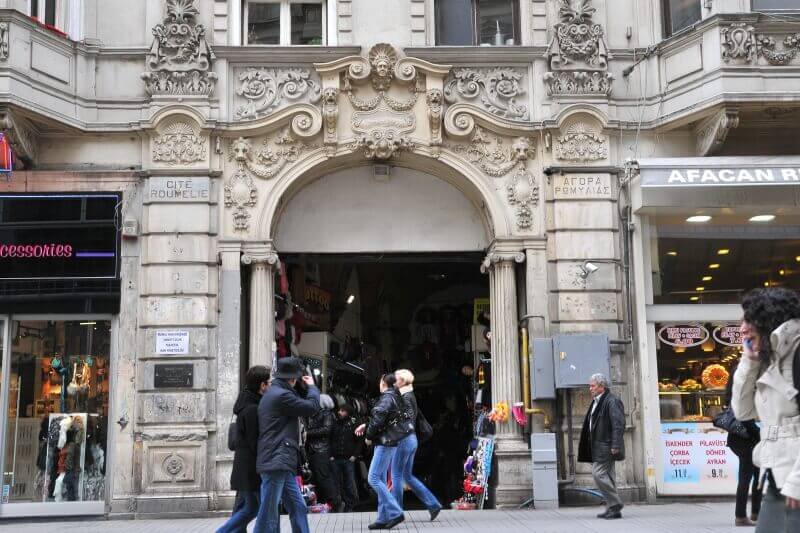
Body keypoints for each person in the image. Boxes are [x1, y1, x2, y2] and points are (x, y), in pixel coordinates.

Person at [732, 287, 800, 533]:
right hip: (776, 477)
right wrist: (748, 363)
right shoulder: (768, 359)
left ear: (768, 320)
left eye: (748, 320)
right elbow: (743, 411)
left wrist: (797, 483)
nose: (742, 328)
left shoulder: (797, 353)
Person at [254, 357, 320, 533]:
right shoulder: (282, 395)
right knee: (268, 511)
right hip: (277, 459)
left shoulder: (276, 392)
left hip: (279, 458)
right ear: (293, 378)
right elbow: (312, 407)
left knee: (297, 506)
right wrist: (312, 387)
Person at [217, 365, 271, 533]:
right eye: (270, 382)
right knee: (252, 508)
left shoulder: (246, 402)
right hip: (250, 468)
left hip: (245, 467)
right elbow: (255, 441)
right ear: (262, 385)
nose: (271, 386)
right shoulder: (253, 409)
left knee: (248, 507)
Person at [355, 373, 406, 530]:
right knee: (381, 479)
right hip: (391, 441)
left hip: (384, 442)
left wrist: (369, 435)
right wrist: (367, 424)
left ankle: (396, 511)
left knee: (373, 478)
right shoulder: (395, 397)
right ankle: (383, 518)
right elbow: (384, 418)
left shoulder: (386, 398)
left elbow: (379, 419)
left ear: (383, 383)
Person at [391, 369, 442, 521]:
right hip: (411, 439)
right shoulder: (409, 395)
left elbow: (408, 419)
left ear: (404, 381)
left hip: (404, 439)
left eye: (397, 379)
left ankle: (396, 512)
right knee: (407, 476)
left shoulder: (405, 397)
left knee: (396, 476)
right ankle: (433, 504)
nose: (395, 382)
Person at [577, 372, 625, 520]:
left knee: (598, 474)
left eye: (593, 386)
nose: (590, 388)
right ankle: (613, 509)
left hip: (607, 445)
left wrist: (615, 444)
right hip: (599, 445)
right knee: (609, 476)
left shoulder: (611, 401)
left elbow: (618, 424)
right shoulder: (598, 401)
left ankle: (615, 503)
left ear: (602, 387)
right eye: (589, 386)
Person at [725, 361, 761, 527]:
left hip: (739, 438)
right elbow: (746, 418)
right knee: (750, 476)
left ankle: (754, 513)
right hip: (747, 437)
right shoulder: (742, 393)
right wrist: (760, 433)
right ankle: (743, 515)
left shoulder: (734, 390)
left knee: (751, 475)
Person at [305, 394, 343, 512]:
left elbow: (326, 430)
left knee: (324, 477)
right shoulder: (316, 414)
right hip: (315, 450)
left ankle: (335, 503)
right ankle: (326, 502)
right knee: (318, 477)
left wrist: (308, 433)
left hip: (321, 450)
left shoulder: (326, 414)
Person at [330, 403, 363, 512]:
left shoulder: (355, 424)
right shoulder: (335, 423)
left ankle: (351, 504)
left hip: (348, 459)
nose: (339, 412)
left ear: (348, 412)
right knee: (336, 483)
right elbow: (330, 439)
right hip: (336, 458)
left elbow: (359, 442)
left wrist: (354, 455)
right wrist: (331, 455)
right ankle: (340, 504)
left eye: (342, 410)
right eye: (339, 410)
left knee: (349, 483)